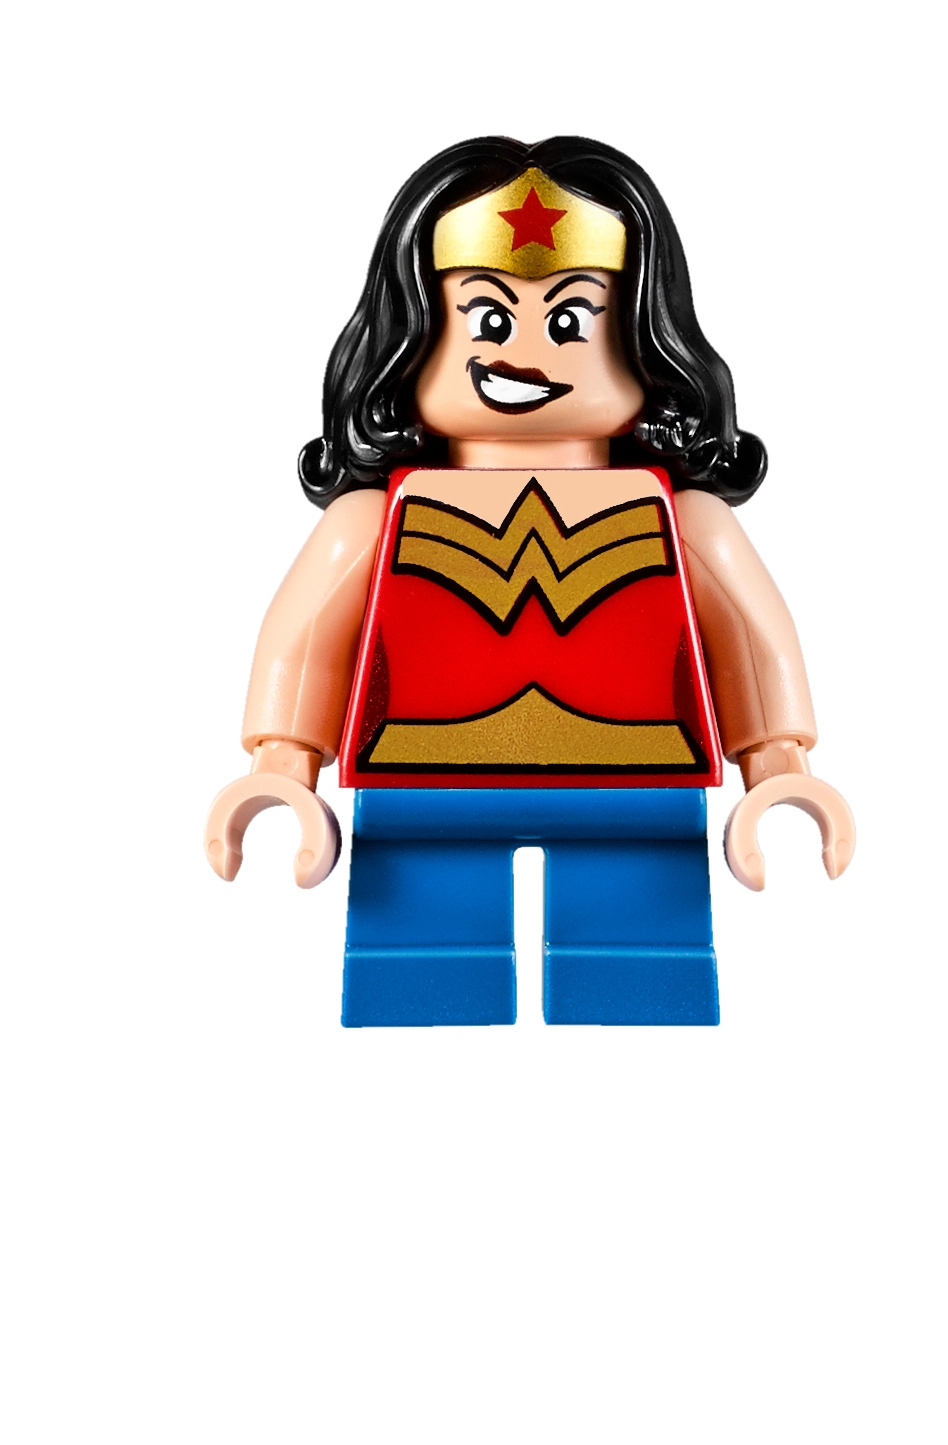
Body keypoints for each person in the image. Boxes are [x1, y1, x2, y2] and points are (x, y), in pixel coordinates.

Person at [202, 135, 854, 1025]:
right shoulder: (374, 519)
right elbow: (303, 643)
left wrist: (777, 768)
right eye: (488, 316)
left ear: (637, 343)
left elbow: (753, 637)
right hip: (421, 787)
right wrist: (281, 766)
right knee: (417, 972)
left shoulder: (682, 517)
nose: (527, 353)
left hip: (639, 789)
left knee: (642, 973)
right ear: (418, 338)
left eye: (572, 320)